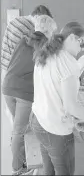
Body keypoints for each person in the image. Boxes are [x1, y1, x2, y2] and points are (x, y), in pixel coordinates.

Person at [30, 22, 84, 175]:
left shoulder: (47, 53)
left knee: (48, 170)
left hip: (38, 120)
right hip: (55, 128)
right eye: (82, 43)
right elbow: (71, 106)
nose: (82, 49)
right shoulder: (68, 62)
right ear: (72, 38)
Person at [1, 14, 56, 175]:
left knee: (19, 129)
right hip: (22, 92)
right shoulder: (45, 45)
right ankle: (18, 168)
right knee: (19, 130)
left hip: (7, 87)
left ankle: (22, 160)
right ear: (48, 31)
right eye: (52, 32)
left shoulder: (23, 39)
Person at [1, 5, 53, 126]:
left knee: (11, 112)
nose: (41, 26)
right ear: (37, 17)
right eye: (42, 21)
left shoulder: (15, 21)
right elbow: (33, 53)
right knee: (20, 119)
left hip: (6, 69)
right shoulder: (29, 28)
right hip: (17, 74)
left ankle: (17, 133)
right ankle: (19, 137)